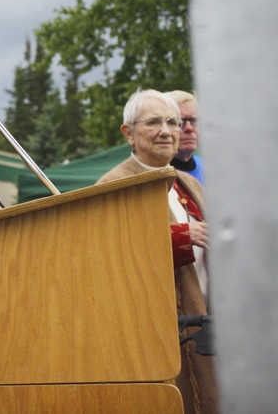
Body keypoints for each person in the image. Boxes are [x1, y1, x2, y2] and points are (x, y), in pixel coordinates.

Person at [97, 89, 217, 414]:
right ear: (129, 134)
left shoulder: (187, 183)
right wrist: (180, 236)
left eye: (172, 122)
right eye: (153, 122)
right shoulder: (112, 185)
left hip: (202, 323)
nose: (166, 131)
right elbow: (108, 253)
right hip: (150, 335)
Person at [167, 90, 204, 183]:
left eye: (194, 120)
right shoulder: (151, 176)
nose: (189, 128)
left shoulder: (212, 170)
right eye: (180, 122)